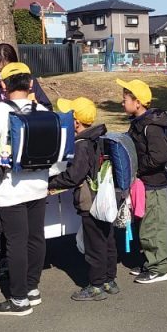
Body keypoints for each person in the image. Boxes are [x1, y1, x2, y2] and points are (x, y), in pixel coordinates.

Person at [0, 62, 51, 315]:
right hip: (39, 184)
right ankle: (32, 288)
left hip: (10, 187)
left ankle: (18, 300)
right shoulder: (41, 109)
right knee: (35, 238)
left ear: (4, 85)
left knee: (16, 242)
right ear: (31, 84)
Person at [47, 97, 117, 301]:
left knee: (94, 243)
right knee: (107, 240)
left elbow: (74, 176)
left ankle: (95, 285)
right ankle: (109, 279)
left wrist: (50, 182)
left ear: (75, 122)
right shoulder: (98, 138)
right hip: (105, 199)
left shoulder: (81, 144)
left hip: (89, 201)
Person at [116, 78, 167, 284]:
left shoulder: (151, 126)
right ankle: (151, 261)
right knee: (146, 224)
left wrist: (138, 167)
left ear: (137, 102)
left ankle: (158, 267)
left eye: (125, 99)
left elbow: (159, 156)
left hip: (153, 184)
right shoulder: (139, 124)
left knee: (153, 226)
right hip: (144, 183)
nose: (122, 103)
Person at [0, 43, 51, 126]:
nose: (5, 74)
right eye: (0, 70)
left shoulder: (27, 81)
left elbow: (48, 109)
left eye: (9, 69)